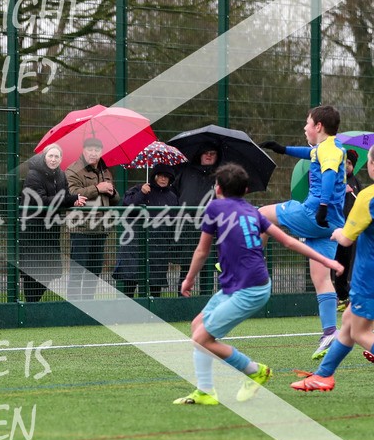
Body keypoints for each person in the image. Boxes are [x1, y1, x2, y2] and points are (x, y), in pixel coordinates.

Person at [173, 163, 342, 405]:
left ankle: (254, 371)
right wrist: (326, 260)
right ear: (246, 190)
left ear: (217, 188)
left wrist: (188, 279)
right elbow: (289, 242)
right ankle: (205, 390)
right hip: (239, 286)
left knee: (200, 338)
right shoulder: (253, 212)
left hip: (249, 290)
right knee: (197, 326)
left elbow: (202, 250)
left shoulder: (215, 207)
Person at [260, 105, 347, 360]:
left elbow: (329, 175)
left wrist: (322, 206)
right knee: (321, 277)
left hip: (314, 214)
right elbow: (310, 153)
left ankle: (249, 262)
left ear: (318, 126)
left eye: (307, 123)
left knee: (260, 215)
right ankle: (329, 331)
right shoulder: (330, 147)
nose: (304, 127)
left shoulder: (328, 149)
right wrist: (283, 149)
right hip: (331, 225)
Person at [291, 146, 374, 392]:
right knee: (348, 323)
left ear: (372, 165)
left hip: (368, 279)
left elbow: (346, 239)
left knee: (359, 332)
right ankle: (323, 375)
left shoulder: (368, 197)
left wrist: (337, 232)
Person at [20, 144, 86, 302]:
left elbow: (65, 197)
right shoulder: (33, 175)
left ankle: (33, 303)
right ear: (44, 157)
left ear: (61, 159)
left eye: (57, 156)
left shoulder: (61, 175)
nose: (53, 159)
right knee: (33, 272)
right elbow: (41, 201)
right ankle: (30, 305)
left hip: (51, 229)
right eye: (51, 156)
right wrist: (70, 199)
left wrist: (74, 202)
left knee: (49, 271)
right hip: (33, 230)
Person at [65, 137, 120, 300]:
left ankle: (88, 304)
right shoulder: (73, 170)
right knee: (78, 271)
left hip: (101, 229)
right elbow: (72, 193)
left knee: (94, 272)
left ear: (101, 152)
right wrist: (97, 188)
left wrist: (112, 192)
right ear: (83, 150)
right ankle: (74, 305)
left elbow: (115, 199)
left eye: (97, 150)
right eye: (90, 149)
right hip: (81, 228)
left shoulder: (105, 171)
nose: (93, 153)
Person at [112, 163, 178, 298]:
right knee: (130, 281)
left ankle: (153, 309)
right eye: (160, 175)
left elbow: (174, 220)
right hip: (135, 244)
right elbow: (127, 206)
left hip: (159, 246)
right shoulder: (138, 189)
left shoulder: (172, 197)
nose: (163, 179)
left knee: (155, 284)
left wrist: (170, 243)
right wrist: (141, 193)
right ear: (154, 176)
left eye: (166, 177)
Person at [172, 142, 221, 295]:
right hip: (188, 226)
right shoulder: (186, 171)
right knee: (187, 264)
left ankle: (206, 298)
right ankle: (183, 297)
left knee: (208, 265)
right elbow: (174, 193)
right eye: (206, 152)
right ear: (200, 155)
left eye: (212, 153)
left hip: (212, 227)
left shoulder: (221, 176)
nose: (209, 156)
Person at [334, 149, 361, 312]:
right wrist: (341, 191)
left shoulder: (356, 182)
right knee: (336, 262)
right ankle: (338, 296)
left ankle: (345, 297)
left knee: (348, 262)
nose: (346, 165)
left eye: (349, 163)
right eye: (344, 162)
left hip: (352, 230)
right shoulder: (336, 179)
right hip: (337, 228)